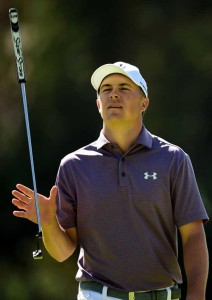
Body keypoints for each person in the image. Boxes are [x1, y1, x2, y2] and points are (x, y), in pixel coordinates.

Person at [12, 62, 209, 300]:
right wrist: (49, 223)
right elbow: (64, 251)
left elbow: (193, 235)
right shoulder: (74, 165)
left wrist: (197, 295)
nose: (113, 93)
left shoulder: (173, 159)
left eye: (124, 87)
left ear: (144, 103)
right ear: (98, 104)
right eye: (106, 88)